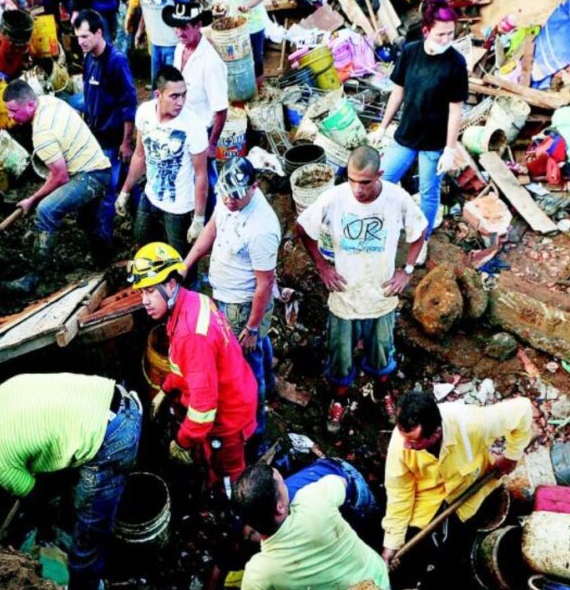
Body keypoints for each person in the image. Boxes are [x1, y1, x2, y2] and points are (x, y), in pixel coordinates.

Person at [295, 146, 427, 432]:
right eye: (353, 180)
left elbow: (419, 231)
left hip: (381, 295)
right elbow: (303, 229)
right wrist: (322, 266)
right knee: (340, 355)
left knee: (381, 352)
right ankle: (339, 401)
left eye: (365, 182)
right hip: (345, 295)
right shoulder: (334, 198)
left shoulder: (396, 198)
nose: (357, 189)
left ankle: (382, 394)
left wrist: (407, 270)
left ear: (379, 175)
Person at [0, 373, 142, 590]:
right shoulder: (0, 396)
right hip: (119, 398)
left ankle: (86, 585)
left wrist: (46, 526)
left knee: (87, 539)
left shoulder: (0, 465)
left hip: (111, 437)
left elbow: (36, 499)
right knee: (85, 499)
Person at [130, 242, 258, 492]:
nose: (144, 301)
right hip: (236, 389)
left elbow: (203, 408)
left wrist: (183, 441)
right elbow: (188, 369)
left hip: (227, 417)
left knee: (227, 475)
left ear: (170, 284)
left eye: (150, 292)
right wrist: (167, 388)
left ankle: (230, 511)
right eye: (141, 293)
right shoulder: (193, 302)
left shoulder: (191, 334)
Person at [381, 390, 534, 587]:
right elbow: (399, 493)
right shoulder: (399, 446)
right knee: (412, 551)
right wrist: (391, 544)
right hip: (427, 500)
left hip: (469, 494)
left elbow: (522, 409)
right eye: (403, 438)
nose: (406, 445)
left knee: (449, 559)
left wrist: (511, 456)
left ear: (435, 434)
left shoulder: (472, 424)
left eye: (413, 442)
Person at [184, 157, 281, 437]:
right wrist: (187, 263)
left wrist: (251, 328)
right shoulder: (227, 196)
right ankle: (270, 387)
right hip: (224, 293)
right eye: (225, 194)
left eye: (236, 197)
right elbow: (213, 228)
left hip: (242, 305)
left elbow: (264, 285)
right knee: (259, 349)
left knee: (246, 367)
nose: (229, 201)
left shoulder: (262, 228)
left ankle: (255, 428)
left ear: (255, 187)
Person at [371, 0, 467, 266]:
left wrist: (450, 148)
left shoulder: (456, 63)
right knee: (384, 178)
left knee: (428, 190)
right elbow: (397, 92)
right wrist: (383, 126)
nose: (446, 39)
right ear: (426, 30)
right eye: (440, 35)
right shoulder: (410, 52)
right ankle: (387, 226)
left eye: (451, 34)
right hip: (407, 133)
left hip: (434, 142)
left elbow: (455, 110)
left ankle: (420, 241)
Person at [2, 80, 113, 293]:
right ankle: (105, 261)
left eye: (14, 111)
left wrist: (32, 200)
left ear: (30, 106)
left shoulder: (41, 133)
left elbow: (60, 176)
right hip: (99, 167)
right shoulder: (49, 101)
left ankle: (33, 279)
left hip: (91, 175)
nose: (10, 116)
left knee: (46, 210)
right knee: (87, 220)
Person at [232, 464, 391, 590]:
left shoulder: (259, 573)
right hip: (379, 578)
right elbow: (342, 481)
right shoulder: (312, 498)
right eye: (282, 483)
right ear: (280, 507)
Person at [116, 66, 209, 269]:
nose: (181, 102)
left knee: (180, 262)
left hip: (179, 207)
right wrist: (125, 191)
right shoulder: (145, 113)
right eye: (174, 96)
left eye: (184, 95)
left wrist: (199, 218)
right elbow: (140, 155)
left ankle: (184, 293)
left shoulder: (193, 126)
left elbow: (201, 175)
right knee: (143, 243)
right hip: (150, 196)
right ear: (158, 94)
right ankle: (154, 290)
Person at [73, 9, 138, 251]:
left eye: (85, 36)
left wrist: (126, 142)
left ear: (99, 32)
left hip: (112, 140)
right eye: (78, 37)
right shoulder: (89, 58)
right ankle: (142, 222)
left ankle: (106, 244)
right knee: (127, 182)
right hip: (95, 137)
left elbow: (129, 104)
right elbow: (90, 97)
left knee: (108, 193)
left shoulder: (116, 61)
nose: (80, 41)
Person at [165, 1, 229, 160]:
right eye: (176, 27)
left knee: (204, 178)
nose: (179, 33)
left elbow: (221, 110)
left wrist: (212, 145)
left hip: (201, 130)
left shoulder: (211, 63)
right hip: (181, 124)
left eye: (184, 27)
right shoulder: (180, 48)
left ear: (198, 25)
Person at [136, 0, 188, 82]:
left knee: (171, 85)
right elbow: (146, 6)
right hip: (154, 42)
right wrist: (140, 30)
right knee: (156, 85)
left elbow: (186, 6)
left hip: (172, 44)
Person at [223, 0, 266, 85]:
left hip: (254, 25)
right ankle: (245, 88)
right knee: (239, 60)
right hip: (237, 25)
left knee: (256, 59)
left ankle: (260, 90)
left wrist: (246, 5)